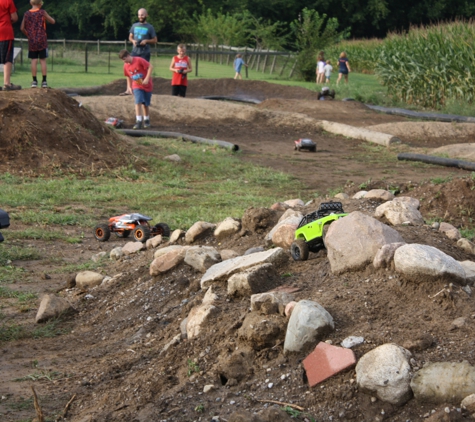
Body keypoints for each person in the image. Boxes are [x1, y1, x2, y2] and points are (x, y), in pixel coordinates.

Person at [20, 0, 55, 88]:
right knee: (42, 60)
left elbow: (22, 28)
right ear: (40, 4)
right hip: (42, 39)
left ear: (31, 3)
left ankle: (34, 81)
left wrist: (28, 34)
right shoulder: (42, 12)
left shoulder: (26, 14)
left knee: (34, 60)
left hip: (32, 40)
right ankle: (44, 81)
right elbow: (52, 21)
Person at [119, 49, 153, 130]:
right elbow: (127, 76)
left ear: (128, 56)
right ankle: (138, 121)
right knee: (138, 102)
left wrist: (147, 78)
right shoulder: (126, 65)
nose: (124, 62)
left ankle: (146, 120)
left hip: (147, 85)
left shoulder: (139, 60)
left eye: (124, 59)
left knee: (145, 104)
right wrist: (129, 87)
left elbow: (150, 67)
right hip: (136, 85)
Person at [0, 0, 21, 90]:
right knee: (7, 58)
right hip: (5, 32)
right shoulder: (7, 1)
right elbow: (14, 17)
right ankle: (7, 84)